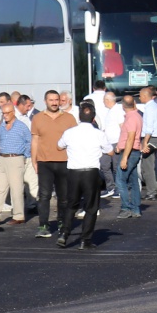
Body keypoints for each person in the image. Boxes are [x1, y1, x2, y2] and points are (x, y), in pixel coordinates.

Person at [30, 90, 77, 240]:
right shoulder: (37, 118)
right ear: (45, 101)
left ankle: (62, 223)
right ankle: (43, 225)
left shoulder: (69, 118)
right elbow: (35, 141)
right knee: (44, 195)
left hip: (64, 162)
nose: (55, 103)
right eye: (51, 100)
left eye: (57, 100)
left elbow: (74, 140)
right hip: (44, 162)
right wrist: (34, 160)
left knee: (64, 196)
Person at [56, 100, 103, 249]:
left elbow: (59, 146)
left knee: (71, 205)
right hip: (91, 172)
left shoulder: (70, 132)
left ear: (79, 117)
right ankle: (85, 240)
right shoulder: (98, 134)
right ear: (93, 118)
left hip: (74, 172)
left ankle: (64, 233)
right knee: (91, 207)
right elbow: (109, 150)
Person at [0, 96, 31, 224]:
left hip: (15, 158)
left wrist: (24, 156)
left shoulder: (21, 126)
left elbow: (29, 142)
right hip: (2, 158)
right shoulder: (2, 126)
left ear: (13, 112)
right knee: (0, 188)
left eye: (7, 113)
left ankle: (18, 216)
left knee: (16, 189)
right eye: (3, 113)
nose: (4, 115)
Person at [115, 95, 144, 218]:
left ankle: (126, 208)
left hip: (130, 152)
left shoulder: (131, 118)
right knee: (133, 181)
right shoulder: (136, 115)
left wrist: (124, 158)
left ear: (123, 105)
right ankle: (135, 209)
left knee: (120, 180)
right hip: (132, 151)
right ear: (134, 103)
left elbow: (131, 138)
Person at [138, 86, 157, 201]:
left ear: (145, 96)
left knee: (147, 167)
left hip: (150, 139)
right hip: (154, 138)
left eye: (140, 96)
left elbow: (149, 128)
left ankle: (152, 192)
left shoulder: (149, 108)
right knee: (149, 166)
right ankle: (153, 191)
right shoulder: (156, 106)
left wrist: (145, 142)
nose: (139, 98)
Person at [97, 90, 123, 200]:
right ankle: (110, 187)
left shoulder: (118, 111)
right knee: (104, 165)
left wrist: (120, 143)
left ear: (108, 100)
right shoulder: (110, 111)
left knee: (116, 167)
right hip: (108, 143)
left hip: (116, 142)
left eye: (104, 100)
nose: (103, 102)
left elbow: (123, 128)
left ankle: (118, 189)